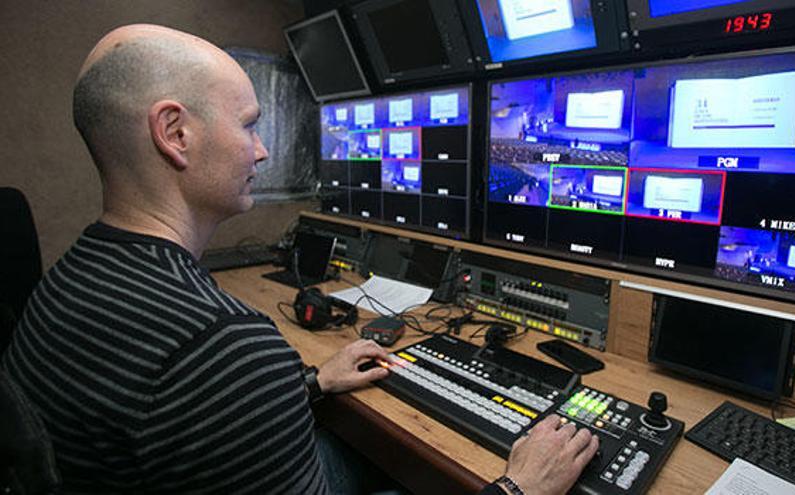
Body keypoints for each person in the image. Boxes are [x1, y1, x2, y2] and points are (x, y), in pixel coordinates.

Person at [1, 24, 598, 494]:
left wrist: (312, 381)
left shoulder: (64, 282)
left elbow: (190, 421)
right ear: (175, 134)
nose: (261, 150)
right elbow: (212, 382)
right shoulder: (221, 346)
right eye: (248, 125)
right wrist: (521, 487)